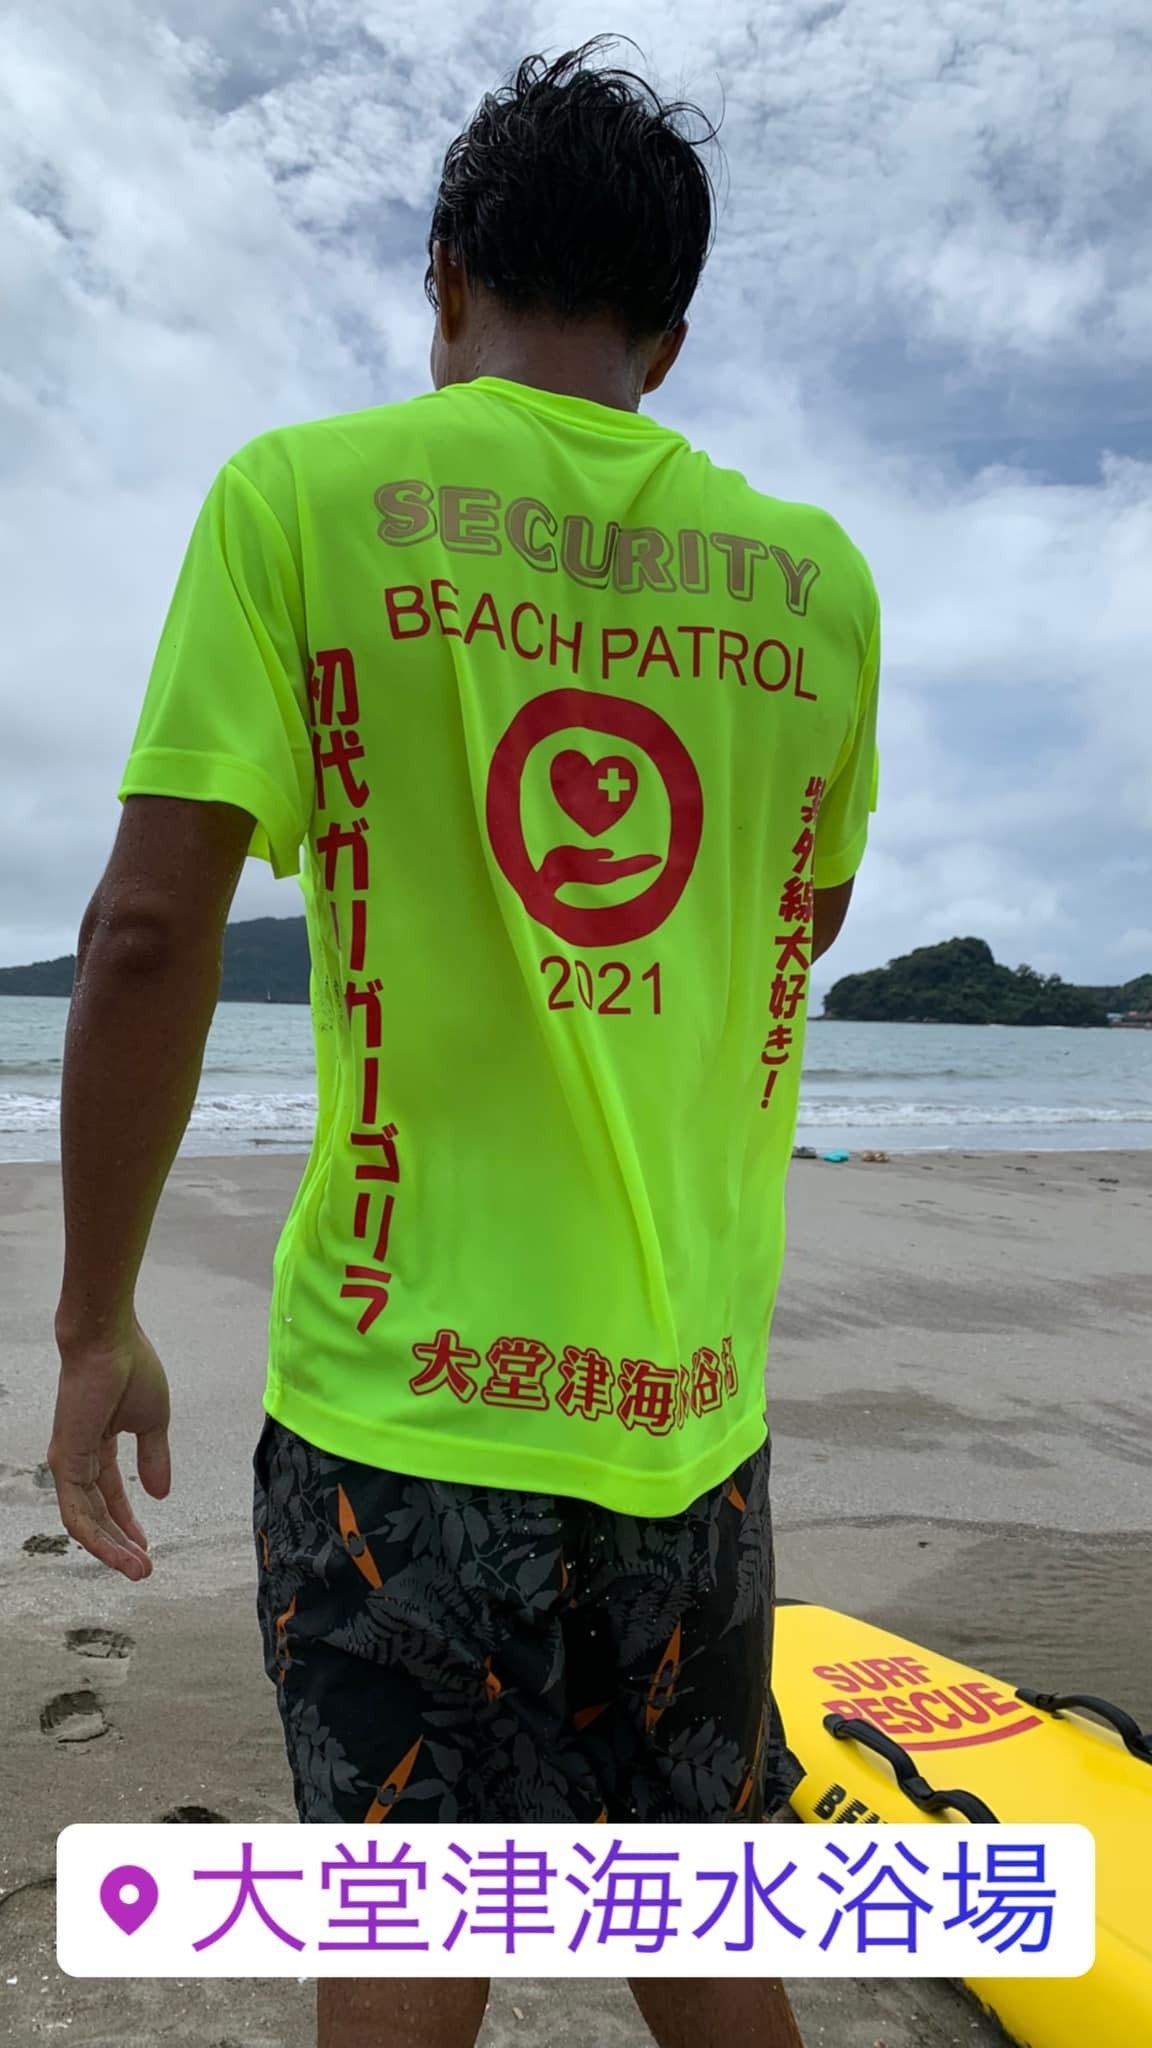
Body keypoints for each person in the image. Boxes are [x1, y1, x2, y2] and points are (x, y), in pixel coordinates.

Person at [48, 39, 880, 2048]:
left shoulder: (303, 502)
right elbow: (803, 917)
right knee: (704, 1929)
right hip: (687, 1416)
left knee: (413, 1946)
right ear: (669, 338)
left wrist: (95, 1319)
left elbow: (150, 931)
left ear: (445, 277)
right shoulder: (818, 589)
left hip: (398, 1423)